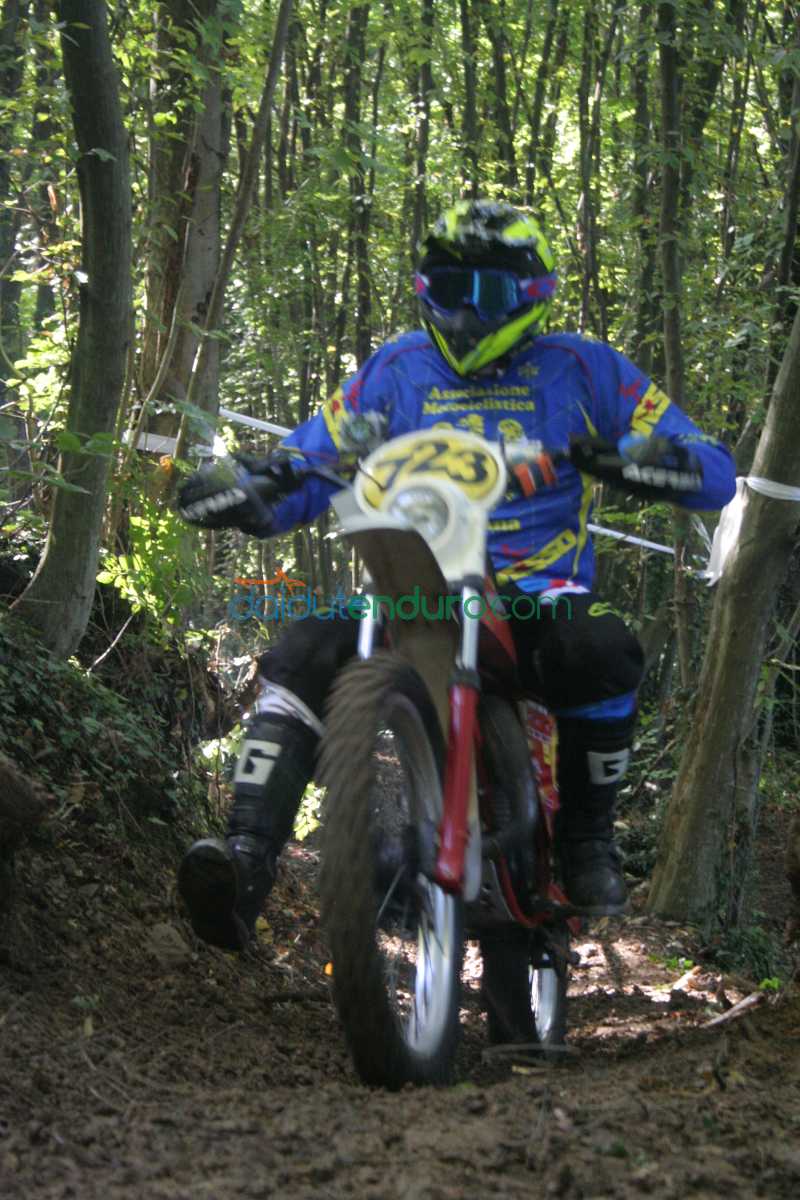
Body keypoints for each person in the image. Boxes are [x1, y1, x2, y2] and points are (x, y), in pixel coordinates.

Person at [176, 199, 736, 953]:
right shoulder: (397, 370)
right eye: (449, 287)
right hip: (413, 586)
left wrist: (650, 460)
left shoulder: (584, 368)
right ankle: (244, 865)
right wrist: (254, 492)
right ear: (422, 287)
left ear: (533, 295)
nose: (467, 312)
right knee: (302, 648)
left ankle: (588, 840)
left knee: (602, 648)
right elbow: (312, 463)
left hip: (533, 596)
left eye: (489, 293)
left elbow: (714, 470)